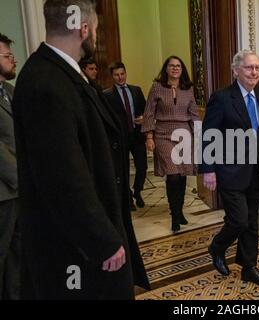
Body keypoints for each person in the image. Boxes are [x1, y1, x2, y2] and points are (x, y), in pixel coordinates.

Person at [12, 0, 149, 299]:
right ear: (84, 29)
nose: (96, 37)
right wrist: (102, 239)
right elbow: (63, 177)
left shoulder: (65, 75)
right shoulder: (46, 83)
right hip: (74, 249)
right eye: (96, 30)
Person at [200, 50, 259, 287]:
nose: (254, 72)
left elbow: (258, 128)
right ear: (236, 71)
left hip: (255, 169)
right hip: (230, 170)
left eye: (256, 68)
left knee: (252, 221)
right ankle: (217, 246)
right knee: (239, 219)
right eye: (248, 68)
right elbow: (208, 135)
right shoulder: (222, 98)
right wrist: (208, 169)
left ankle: (249, 266)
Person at [141, 56, 199, 232]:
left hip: (184, 135)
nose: (175, 68)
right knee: (172, 175)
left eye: (178, 66)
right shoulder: (157, 87)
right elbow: (149, 113)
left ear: (182, 70)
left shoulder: (188, 89)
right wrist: (149, 137)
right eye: (171, 66)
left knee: (182, 175)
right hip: (163, 135)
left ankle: (179, 211)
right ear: (166, 69)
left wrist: (199, 136)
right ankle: (174, 215)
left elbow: (194, 114)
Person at [104, 62, 148, 211]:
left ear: (125, 73)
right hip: (120, 139)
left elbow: (146, 111)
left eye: (122, 73)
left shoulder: (136, 90)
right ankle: (128, 197)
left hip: (137, 135)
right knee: (123, 170)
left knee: (142, 167)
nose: (120, 77)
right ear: (112, 76)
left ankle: (137, 191)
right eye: (116, 74)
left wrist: (143, 119)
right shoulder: (107, 95)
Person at [0, 33, 20, 300]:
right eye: (7, 56)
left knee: (18, 254)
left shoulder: (11, 92)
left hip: (19, 191)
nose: (14, 60)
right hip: (4, 193)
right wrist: (22, 177)